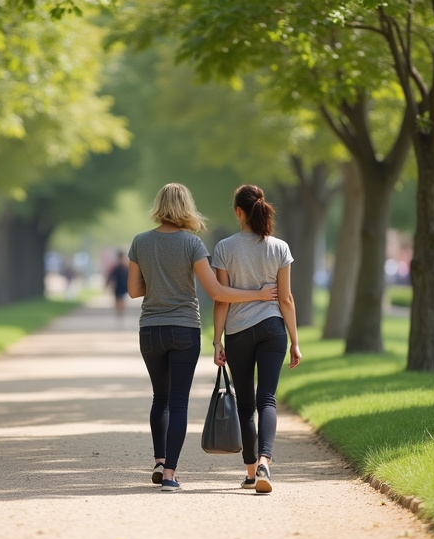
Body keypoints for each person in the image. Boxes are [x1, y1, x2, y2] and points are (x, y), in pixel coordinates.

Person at [127, 183, 277, 492]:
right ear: (186, 206)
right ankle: (169, 475)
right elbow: (217, 292)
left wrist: (157, 283)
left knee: (161, 397)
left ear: (158, 206)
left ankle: (158, 460)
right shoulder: (192, 245)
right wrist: (259, 294)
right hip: (184, 329)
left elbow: (133, 290)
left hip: (151, 330)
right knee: (179, 401)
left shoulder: (140, 242)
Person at [211, 184, 301, 495]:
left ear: (238, 212)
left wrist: (217, 341)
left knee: (246, 404)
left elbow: (221, 299)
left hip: (238, 332)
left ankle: (251, 472)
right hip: (273, 328)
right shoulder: (279, 248)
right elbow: (286, 298)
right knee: (268, 399)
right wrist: (295, 340)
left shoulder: (224, 248)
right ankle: (265, 461)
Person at [105, 250, 129, 318]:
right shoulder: (116, 267)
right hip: (117, 286)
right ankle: (119, 312)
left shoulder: (126, 267)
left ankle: (120, 312)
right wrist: (107, 284)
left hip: (123, 286)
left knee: (122, 299)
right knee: (117, 299)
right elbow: (110, 276)